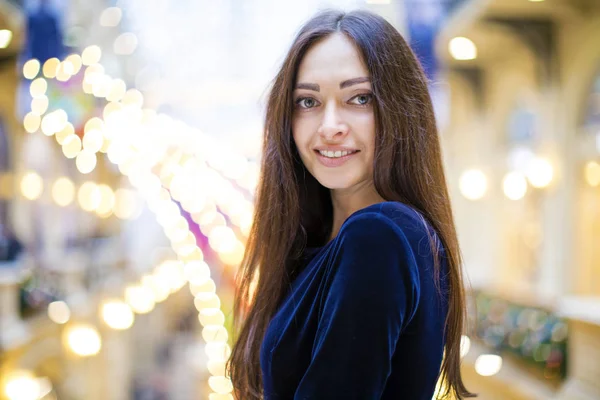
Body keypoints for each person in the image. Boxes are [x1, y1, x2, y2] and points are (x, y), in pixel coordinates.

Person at [228, 9, 475, 400]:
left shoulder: (380, 236)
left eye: (359, 98)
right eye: (308, 102)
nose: (330, 126)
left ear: (398, 109)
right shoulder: (324, 242)